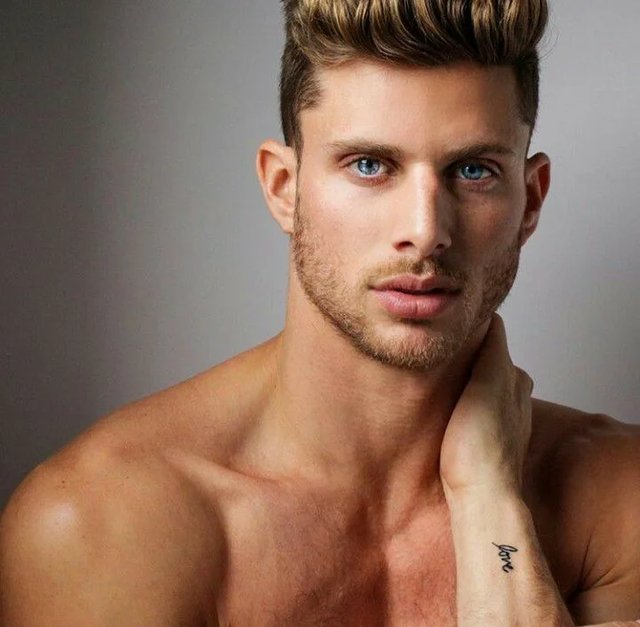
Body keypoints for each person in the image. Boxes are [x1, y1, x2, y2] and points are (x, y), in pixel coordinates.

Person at [1, 0, 639, 625]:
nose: (425, 232)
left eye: (473, 171)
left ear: (530, 201)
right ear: (284, 189)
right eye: (370, 166)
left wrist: (489, 501)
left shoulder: (620, 503)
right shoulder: (104, 527)